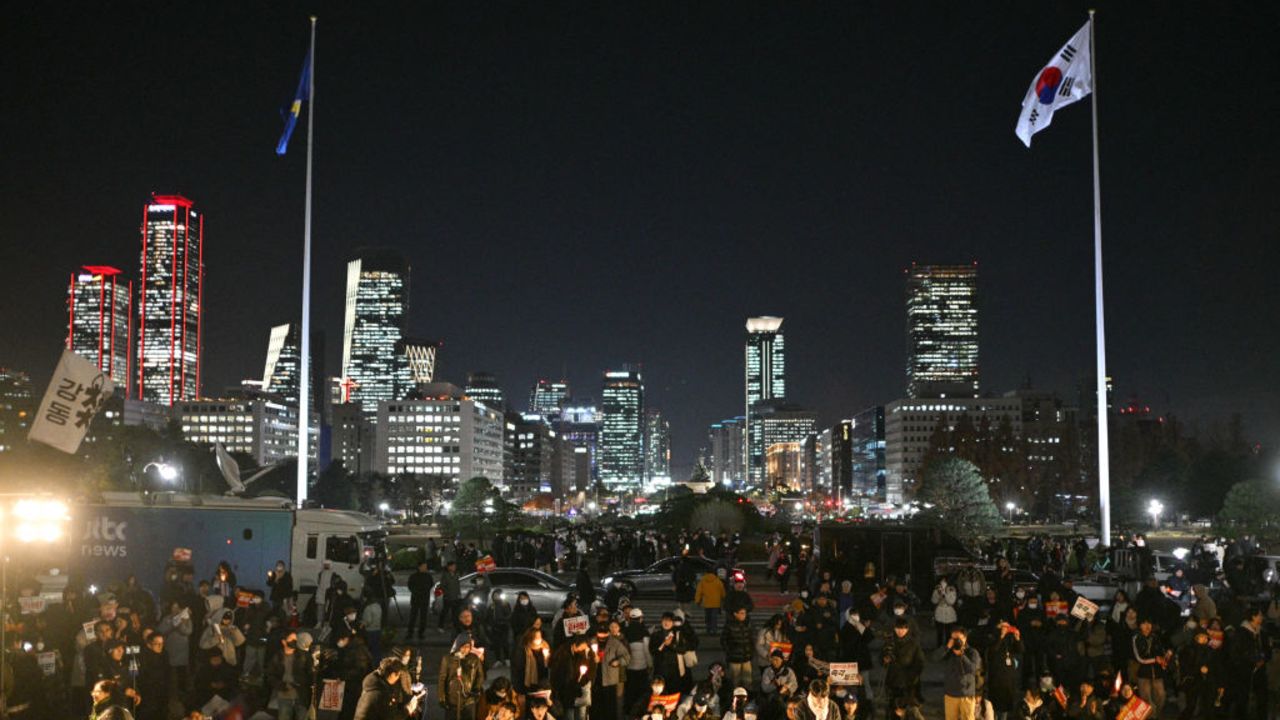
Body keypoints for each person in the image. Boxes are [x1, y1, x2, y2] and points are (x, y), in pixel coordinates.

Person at [355, 657, 423, 720]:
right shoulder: (380, 694)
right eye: (398, 675)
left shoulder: (374, 686)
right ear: (392, 674)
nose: (398, 678)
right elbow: (392, 718)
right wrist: (409, 708)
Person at [440, 633, 486, 720]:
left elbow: (480, 676)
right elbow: (442, 678)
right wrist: (442, 697)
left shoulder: (474, 659)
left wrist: (476, 690)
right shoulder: (448, 659)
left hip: (469, 698)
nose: (465, 650)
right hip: (452, 697)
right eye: (463, 646)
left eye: (468, 647)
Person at [940, 627, 982, 720]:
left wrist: (961, 655)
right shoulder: (948, 651)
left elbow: (973, 669)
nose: (956, 641)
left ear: (965, 638)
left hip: (966, 695)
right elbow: (934, 658)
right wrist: (946, 648)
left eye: (958, 639)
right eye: (953, 638)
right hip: (950, 694)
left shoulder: (972, 652)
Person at [1131, 617, 1171, 716]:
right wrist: (1155, 659)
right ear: (1139, 625)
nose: (1147, 626)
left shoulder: (1156, 637)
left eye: (1149, 623)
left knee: (1161, 695)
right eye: (1144, 623)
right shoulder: (1136, 637)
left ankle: (1156, 715)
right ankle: (1152, 717)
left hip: (1157, 672)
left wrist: (1167, 655)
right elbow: (1139, 658)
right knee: (1146, 698)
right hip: (1143, 672)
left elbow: (1162, 651)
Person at [985, 621, 1024, 719]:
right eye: (1003, 627)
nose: (1006, 629)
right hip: (996, 676)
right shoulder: (993, 637)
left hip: (1008, 677)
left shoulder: (1009, 639)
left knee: (1006, 704)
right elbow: (992, 652)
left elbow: (1021, 650)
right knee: (995, 703)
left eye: (1008, 627)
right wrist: (1001, 636)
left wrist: (1017, 638)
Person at [883, 618, 924, 708]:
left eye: (902, 629)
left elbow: (920, 663)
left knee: (908, 709)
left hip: (908, 682)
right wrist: (885, 660)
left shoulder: (914, 644)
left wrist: (912, 677)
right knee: (892, 708)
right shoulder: (890, 642)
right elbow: (881, 657)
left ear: (907, 629)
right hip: (892, 680)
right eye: (898, 628)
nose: (900, 631)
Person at [598, 619, 632, 720]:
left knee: (618, 699)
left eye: (615, 627)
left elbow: (627, 656)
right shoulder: (603, 640)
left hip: (618, 674)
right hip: (605, 674)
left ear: (619, 628)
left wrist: (618, 662)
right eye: (611, 627)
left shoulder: (621, 640)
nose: (613, 629)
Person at [136, 632, 171, 720]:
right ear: (149, 645)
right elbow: (138, 676)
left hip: (162, 693)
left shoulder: (164, 654)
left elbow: (168, 673)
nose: (160, 646)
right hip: (148, 694)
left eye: (162, 643)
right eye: (157, 644)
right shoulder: (141, 657)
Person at [721, 606, 755, 688]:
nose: (744, 615)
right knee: (735, 680)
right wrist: (730, 651)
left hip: (746, 657)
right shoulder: (729, 626)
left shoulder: (747, 624)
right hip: (734, 658)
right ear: (735, 614)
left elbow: (751, 639)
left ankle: (747, 696)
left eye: (745, 613)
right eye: (742, 613)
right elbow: (723, 640)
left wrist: (751, 651)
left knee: (748, 680)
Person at [406, 561, 435, 641]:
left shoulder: (428, 576)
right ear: (419, 567)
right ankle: (410, 632)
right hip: (416, 598)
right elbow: (410, 585)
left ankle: (421, 633)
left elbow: (431, 584)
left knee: (423, 617)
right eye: (424, 566)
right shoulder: (414, 576)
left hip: (424, 599)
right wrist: (417, 591)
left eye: (426, 566)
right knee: (413, 616)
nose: (425, 568)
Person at [695, 568, 727, 634]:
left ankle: (708, 629)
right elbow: (722, 591)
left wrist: (697, 601)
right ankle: (714, 630)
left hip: (706, 602)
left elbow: (699, 592)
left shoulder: (703, 581)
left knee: (707, 617)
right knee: (714, 617)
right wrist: (724, 599)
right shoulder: (718, 581)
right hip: (716, 602)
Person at [932, 577, 959, 647]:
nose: (943, 583)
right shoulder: (937, 589)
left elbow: (951, 602)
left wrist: (944, 594)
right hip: (939, 612)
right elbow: (934, 601)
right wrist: (938, 593)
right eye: (941, 581)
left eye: (944, 581)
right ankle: (939, 647)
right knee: (939, 632)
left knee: (948, 632)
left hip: (949, 613)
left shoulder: (951, 589)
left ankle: (948, 647)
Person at [440, 560, 462, 631]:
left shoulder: (456, 574)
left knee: (455, 613)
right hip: (448, 597)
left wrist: (459, 594)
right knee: (445, 612)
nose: (454, 567)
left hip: (455, 597)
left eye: (455, 566)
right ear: (449, 567)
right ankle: (440, 626)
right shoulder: (445, 575)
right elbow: (442, 586)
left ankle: (455, 626)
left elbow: (457, 585)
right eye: (453, 566)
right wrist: (447, 594)